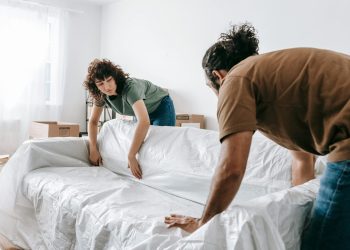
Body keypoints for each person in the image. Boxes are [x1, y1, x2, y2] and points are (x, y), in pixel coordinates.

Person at [164, 23, 350, 249]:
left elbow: (231, 169)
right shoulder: (275, 77)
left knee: (322, 241)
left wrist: (203, 222)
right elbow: (302, 159)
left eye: (210, 88)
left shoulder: (235, 79)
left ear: (217, 76)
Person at [84, 59, 175, 179]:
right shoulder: (100, 95)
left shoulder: (130, 88)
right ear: (95, 86)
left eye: (109, 80)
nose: (106, 87)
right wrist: (93, 148)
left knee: (159, 145)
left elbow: (144, 121)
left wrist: (131, 156)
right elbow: (93, 122)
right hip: (141, 113)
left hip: (160, 106)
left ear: (115, 77)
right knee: (139, 144)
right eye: (100, 83)